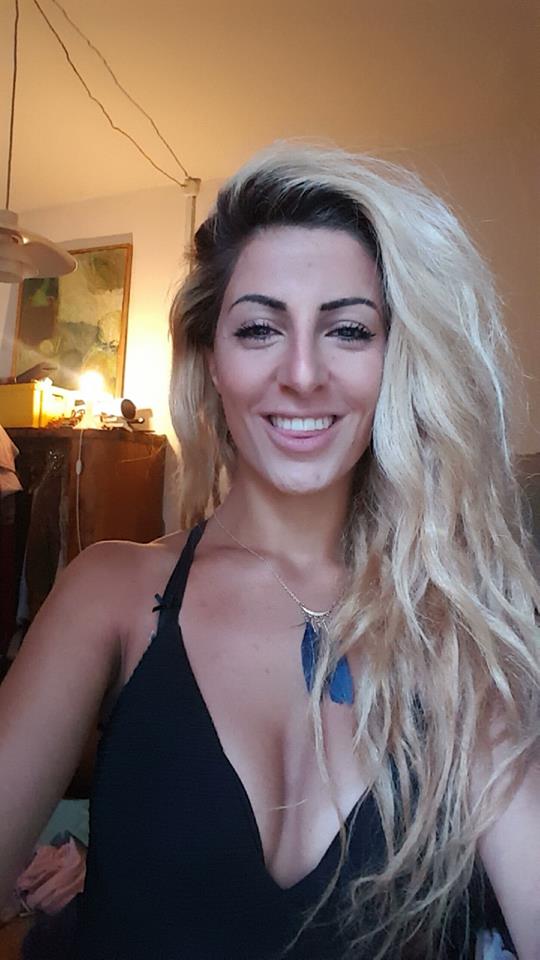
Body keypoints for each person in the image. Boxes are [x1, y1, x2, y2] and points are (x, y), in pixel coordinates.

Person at [0, 143, 538, 960]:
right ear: (210, 360)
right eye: (258, 328)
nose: (303, 373)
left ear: (396, 361)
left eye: (349, 330)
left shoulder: (457, 629)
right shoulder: (111, 591)